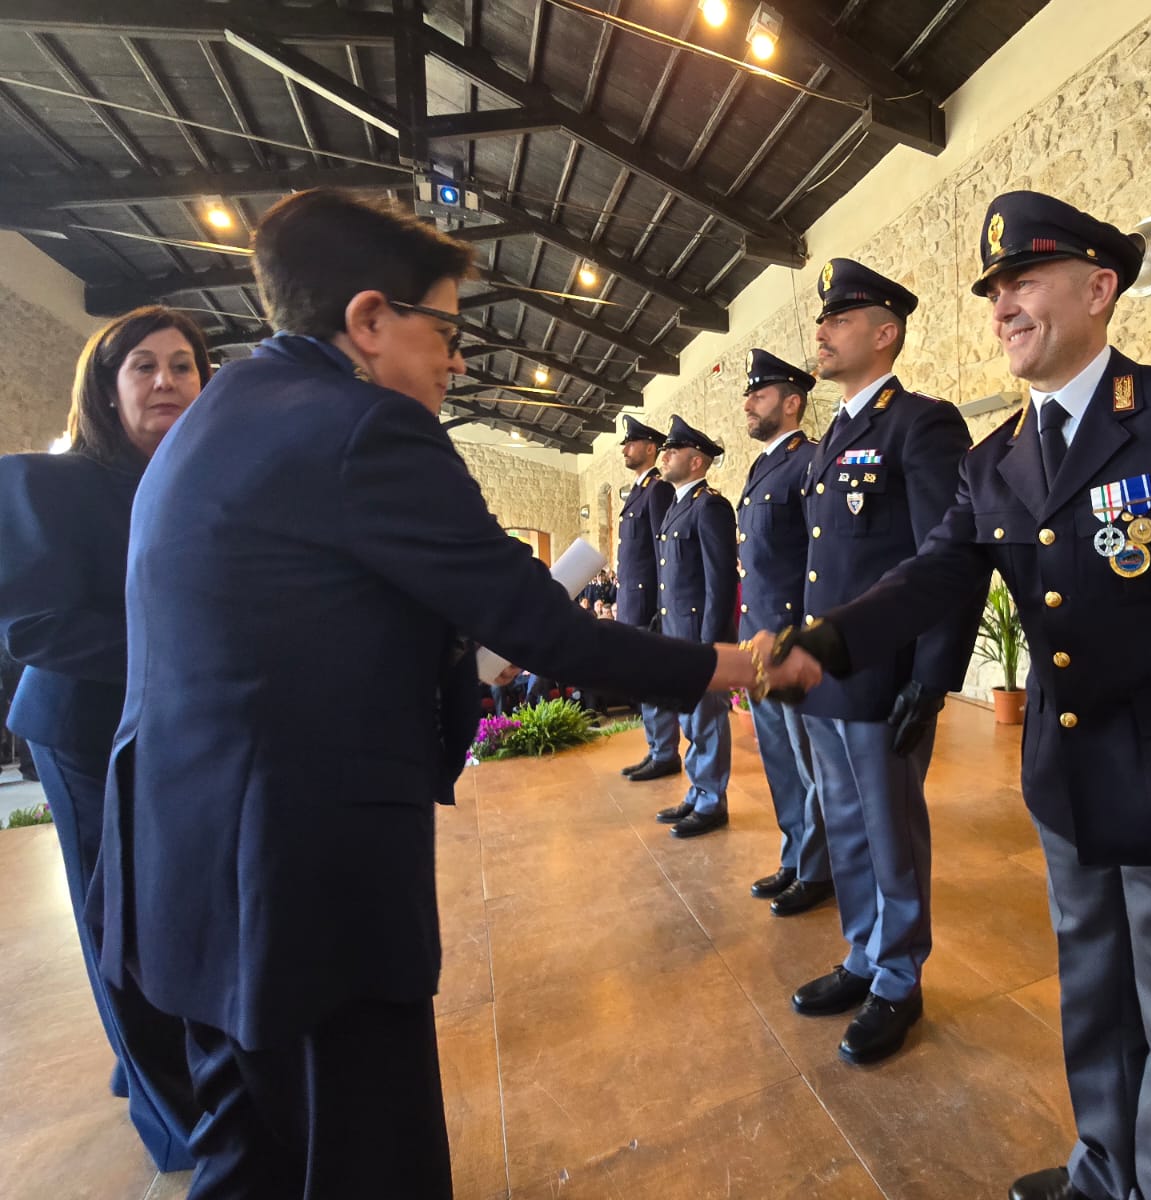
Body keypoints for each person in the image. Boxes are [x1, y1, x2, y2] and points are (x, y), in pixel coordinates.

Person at [91, 188, 812, 1198]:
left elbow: (301, 613)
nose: (458, 361)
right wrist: (736, 666)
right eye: (446, 331)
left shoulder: (227, 412)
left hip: (191, 872)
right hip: (298, 882)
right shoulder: (362, 427)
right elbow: (547, 625)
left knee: (254, 1150)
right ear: (369, 319)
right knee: (361, 1158)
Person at [769, 190, 1151, 1200]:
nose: (1003, 304)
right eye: (995, 289)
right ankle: (1101, 1171)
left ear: (1099, 286)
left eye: (1024, 279)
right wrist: (823, 640)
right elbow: (934, 575)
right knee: (1094, 1000)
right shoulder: (997, 460)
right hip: (1070, 779)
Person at [0, 306, 208, 1171]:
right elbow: (35, 629)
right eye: (144, 367)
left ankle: (145, 1062)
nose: (166, 381)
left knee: (172, 913)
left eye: (184, 366)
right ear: (106, 384)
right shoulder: (51, 481)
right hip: (85, 732)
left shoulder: (199, 478)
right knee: (115, 923)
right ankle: (175, 1123)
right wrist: (193, 651)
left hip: (174, 730)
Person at [788, 258, 977, 1065]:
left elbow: (949, 559)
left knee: (891, 832)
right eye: (823, 320)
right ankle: (864, 954)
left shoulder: (921, 424)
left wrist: (932, 678)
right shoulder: (833, 436)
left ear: (884, 332)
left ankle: (899, 978)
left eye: (839, 318)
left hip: (886, 674)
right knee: (850, 830)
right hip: (827, 672)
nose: (821, 332)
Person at [736, 349, 833, 915]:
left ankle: (819, 869)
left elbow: (816, 557)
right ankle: (796, 853)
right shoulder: (763, 466)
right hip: (759, 639)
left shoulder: (810, 461)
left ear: (792, 402)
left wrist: (804, 637)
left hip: (793, 639)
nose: (749, 403)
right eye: (750, 394)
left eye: (761, 394)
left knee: (808, 760)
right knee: (778, 757)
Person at [649, 415, 739, 838]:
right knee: (690, 718)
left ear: (697, 461)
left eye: (673, 450)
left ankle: (711, 800)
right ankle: (697, 790)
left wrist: (712, 646)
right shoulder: (676, 506)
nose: (664, 455)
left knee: (707, 717)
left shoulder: (711, 506)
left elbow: (720, 581)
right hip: (675, 633)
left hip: (699, 636)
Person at [613, 414, 682, 782]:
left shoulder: (657, 490)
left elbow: (662, 551)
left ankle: (666, 752)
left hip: (647, 604)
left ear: (651, 448)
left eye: (631, 442)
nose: (625, 448)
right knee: (643, 679)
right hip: (631, 603)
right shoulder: (639, 490)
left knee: (653, 679)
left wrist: (660, 605)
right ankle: (657, 747)